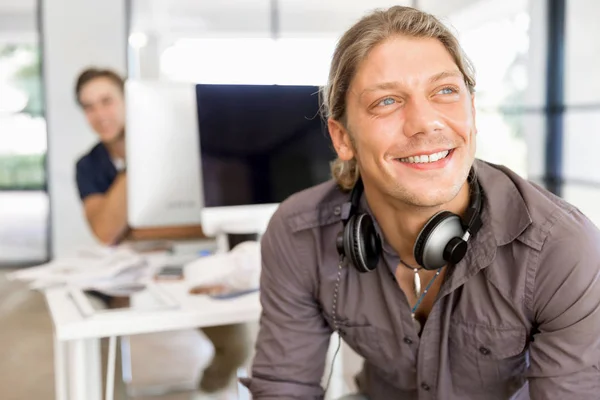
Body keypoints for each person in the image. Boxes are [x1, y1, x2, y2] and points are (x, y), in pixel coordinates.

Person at [242, 6, 600, 400]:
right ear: (343, 138)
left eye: (445, 91)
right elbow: (283, 388)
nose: (425, 122)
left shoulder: (560, 248)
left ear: (472, 111)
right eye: (387, 101)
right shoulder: (299, 233)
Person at [74, 68, 251, 394]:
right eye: (88, 106)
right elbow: (105, 232)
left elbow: (207, 222)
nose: (99, 114)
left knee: (237, 344)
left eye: (106, 101)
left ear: (129, 102)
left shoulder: (179, 145)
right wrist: (135, 163)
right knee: (98, 348)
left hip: (190, 264)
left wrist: (136, 230)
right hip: (126, 273)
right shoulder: (89, 165)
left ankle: (205, 390)